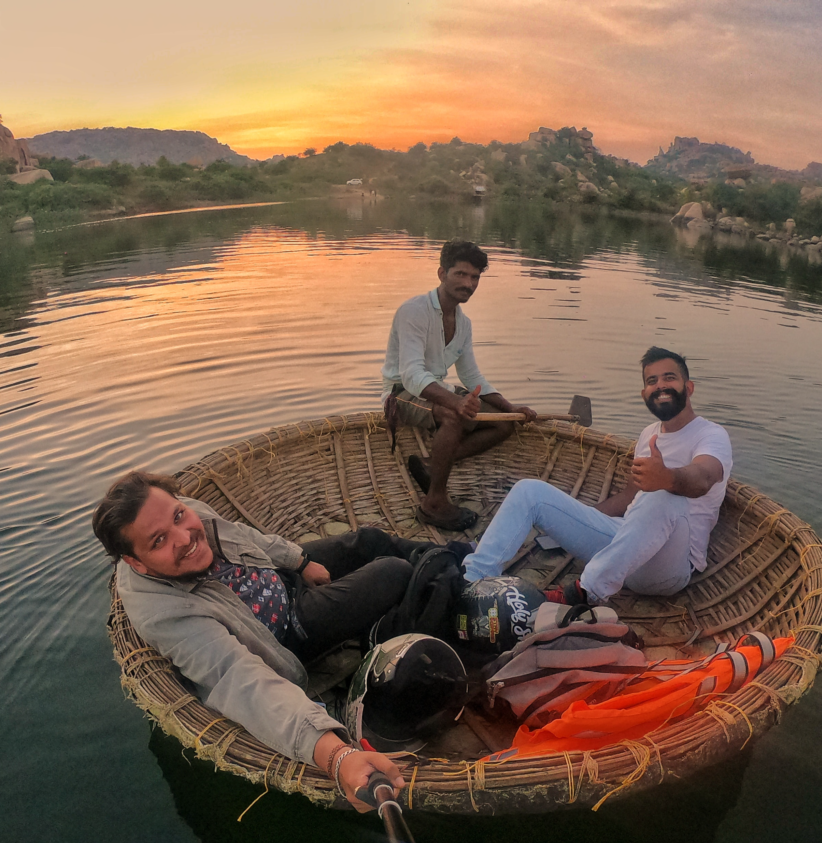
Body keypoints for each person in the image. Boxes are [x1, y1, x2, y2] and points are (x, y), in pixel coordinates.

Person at [92, 470, 410, 811]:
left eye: (179, 516)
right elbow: (239, 679)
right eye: (158, 541)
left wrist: (300, 562)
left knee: (369, 541)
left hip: (279, 579)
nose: (183, 538)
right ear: (134, 561)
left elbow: (243, 536)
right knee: (392, 572)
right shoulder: (164, 612)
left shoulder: (183, 513)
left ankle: (459, 561)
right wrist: (336, 756)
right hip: (287, 633)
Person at [462, 346, 733, 604]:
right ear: (643, 394)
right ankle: (472, 580)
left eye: (669, 378)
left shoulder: (711, 435)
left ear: (689, 387)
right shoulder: (649, 433)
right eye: (652, 381)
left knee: (664, 496)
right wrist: (576, 519)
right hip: (625, 549)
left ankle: (586, 593)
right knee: (529, 491)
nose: (660, 386)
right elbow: (629, 498)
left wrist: (668, 479)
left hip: (668, 568)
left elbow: (704, 477)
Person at [381, 239, 536, 531]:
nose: (468, 283)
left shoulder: (463, 324)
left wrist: (509, 406)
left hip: (437, 391)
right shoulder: (413, 311)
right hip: (400, 394)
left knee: (504, 423)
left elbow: (472, 375)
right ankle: (433, 503)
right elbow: (412, 375)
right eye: (460, 275)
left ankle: (431, 465)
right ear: (442, 274)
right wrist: (455, 402)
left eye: (474, 277)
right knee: (453, 415)